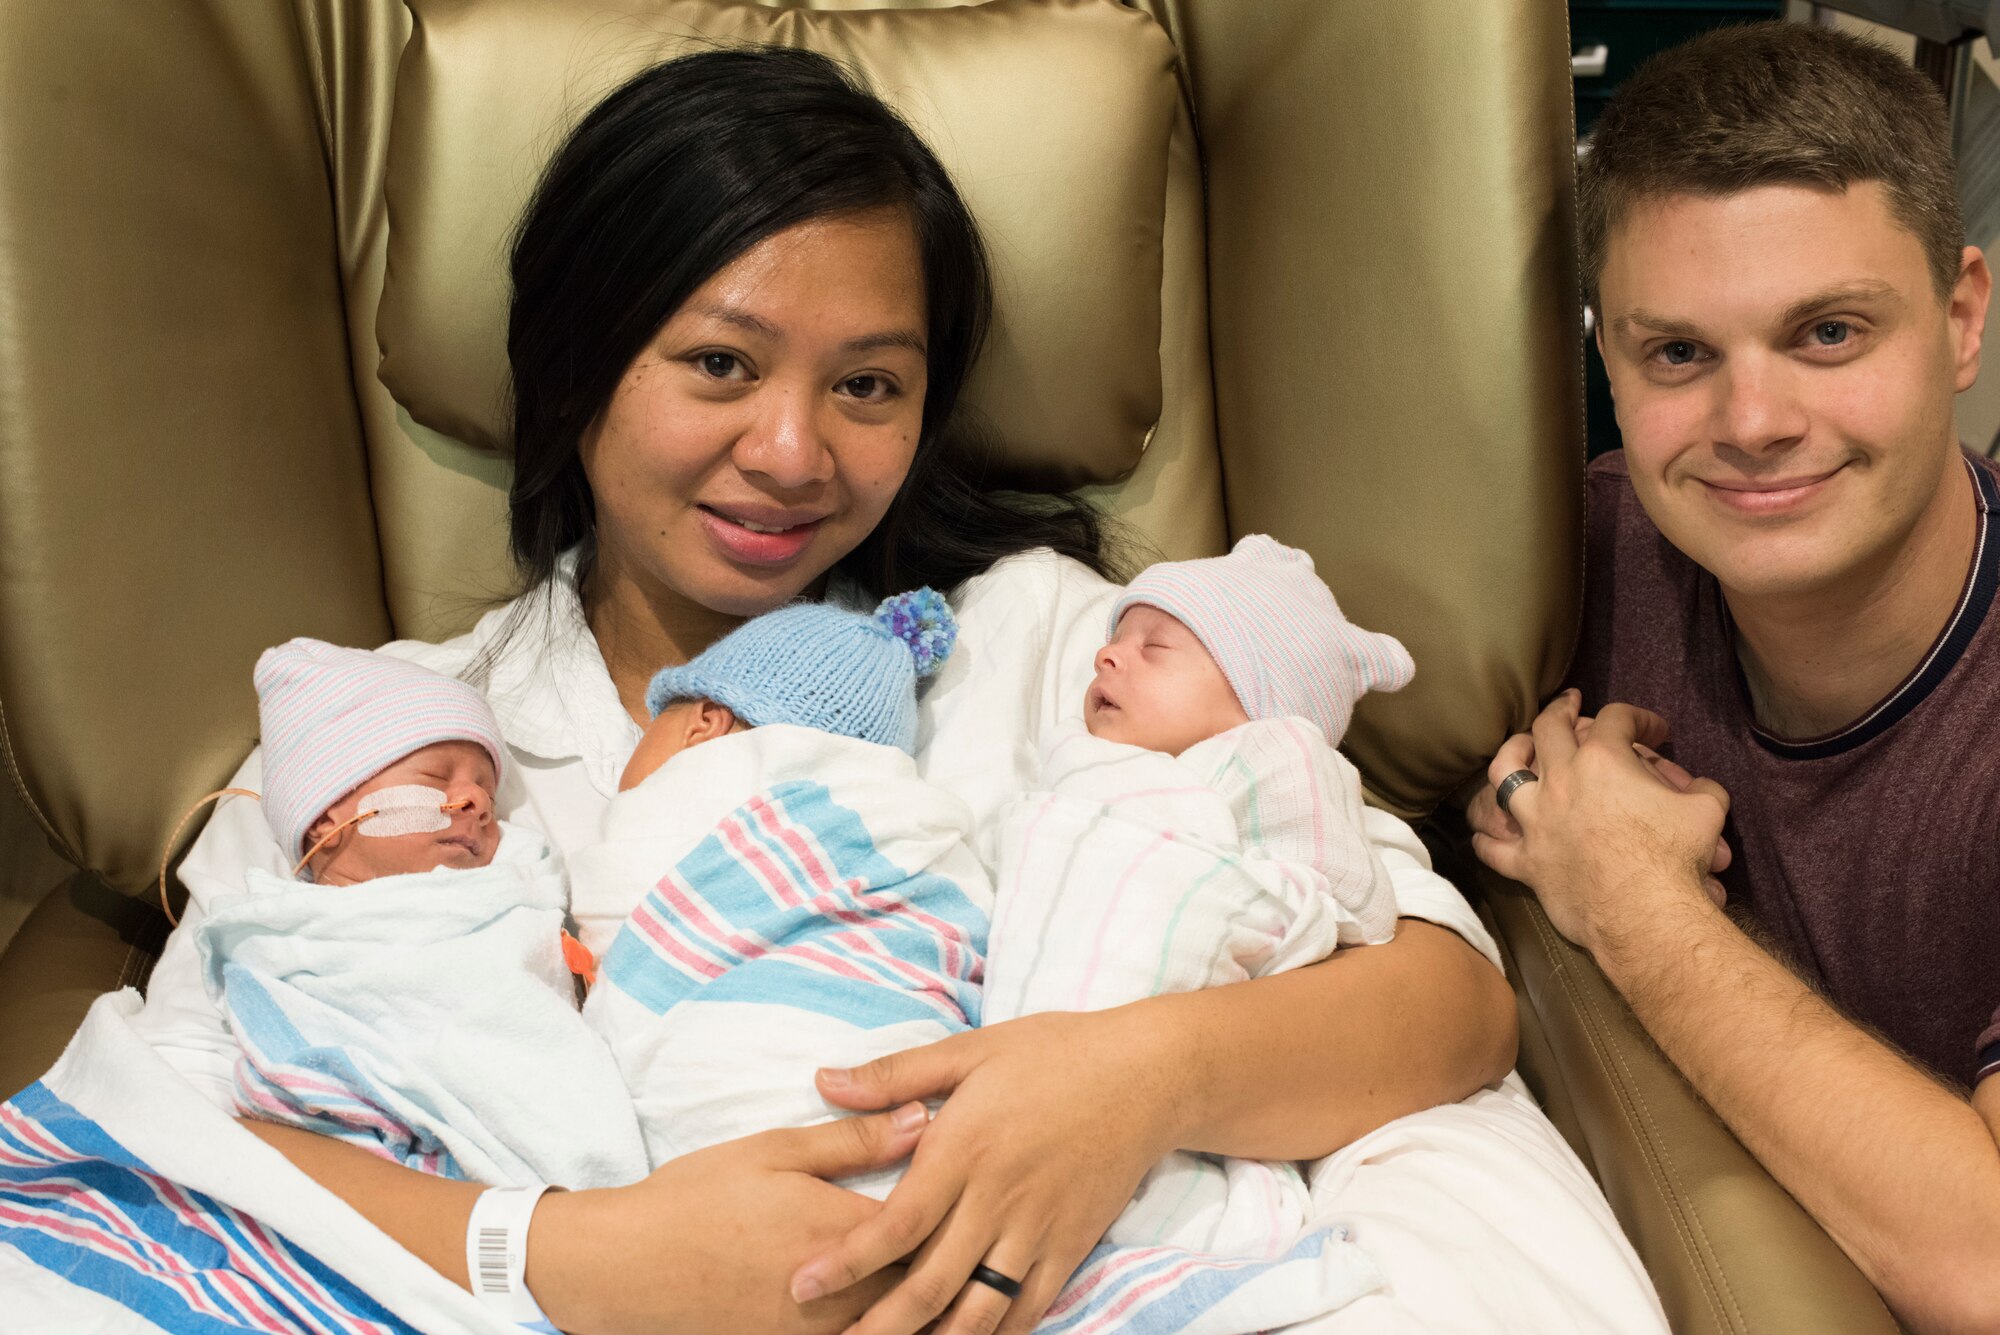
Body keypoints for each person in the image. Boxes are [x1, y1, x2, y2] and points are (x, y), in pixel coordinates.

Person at [103, 44, 1656, 1335]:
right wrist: (571, 1250)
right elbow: (166, 1137)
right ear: (576, 364)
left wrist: (1123, 1078)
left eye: (868, 385)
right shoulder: (399, 738)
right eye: (718, 363)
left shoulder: (1060, 643)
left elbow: (1447, 1000)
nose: (793, 452)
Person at [1468, 23, 2000, 1331]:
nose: (1751, 422)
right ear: (1610, 361)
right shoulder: (1577, 557)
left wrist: (1635, 895)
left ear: (1960, 314)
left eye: (1826, 331)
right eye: (1680, 354)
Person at [196, 638, 648, 1191]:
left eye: (485, 787)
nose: (477, 802)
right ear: (324, 817)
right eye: (437, 778)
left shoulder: (505, 892)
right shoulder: (292, 937)